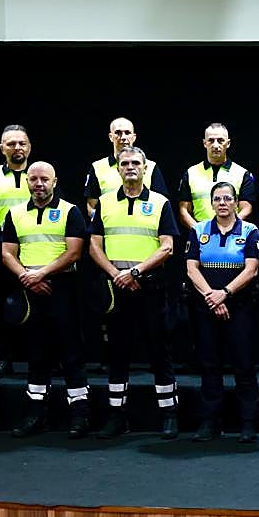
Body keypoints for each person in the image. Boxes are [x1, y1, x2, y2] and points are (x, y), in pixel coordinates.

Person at [88, 147, 180, 438]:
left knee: (159, 353)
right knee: (117, 354)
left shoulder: (160, 202)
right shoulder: (104, 203)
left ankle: (169, 414)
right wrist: (117, 275)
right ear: (117, 169)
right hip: (117, 291)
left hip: (150, 288)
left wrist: (135, 272)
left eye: (135, 163)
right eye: (125, 163)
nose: (130, 167)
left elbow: (167, 246)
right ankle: (116, 416)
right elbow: (94, 245)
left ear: (145, 168)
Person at [0, 161, 89, 437]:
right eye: (34, 179)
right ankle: (36, 415)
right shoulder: (14, 214)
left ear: (54, 181)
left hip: (62, 288)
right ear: (27, 181)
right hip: (30, 289)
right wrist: (27, 277)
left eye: (44, 179)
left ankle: (80, 416)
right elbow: (6, 253)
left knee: (71, 353)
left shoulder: (70, 211)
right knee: (37, 355)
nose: (39, 184)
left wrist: (41, 274)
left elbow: (74, 253)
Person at [184, 181, 259, 443]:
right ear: (211, 202)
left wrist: (225, 294)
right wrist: (212, 296)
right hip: (206, 307)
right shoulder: (199, 230)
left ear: (236, 202)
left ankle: (248, 423)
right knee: (209, 365)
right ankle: (209, 422)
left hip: (239, 307)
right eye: (217, 199)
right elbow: (191, 268)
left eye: (227, 198)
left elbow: (251, 269)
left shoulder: (250, 231)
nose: (222, 203)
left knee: (244, 365)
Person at [0, 125, 34, 380]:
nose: (17, 148)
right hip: (0, 252)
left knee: (41, 309)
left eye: (22, 143)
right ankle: (2, 358)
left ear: (29, 147)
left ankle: (42, 361)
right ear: (2, 148)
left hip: (35, 252)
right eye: (11, 144)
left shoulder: (40, 174)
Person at [83, 116, 169, 216]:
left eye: (127, 133)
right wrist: (101, 223)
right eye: (118, 133)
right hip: (110, 229)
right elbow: (91, 206)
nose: (123, 137)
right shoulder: (97, 167)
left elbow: (162, 203)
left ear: (134, 137)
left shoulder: (151, 167)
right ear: (111, 137)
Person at [176, 123, 256, 230]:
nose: (215, 145)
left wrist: (229, 228)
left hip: (233, 237)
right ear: (205, 143)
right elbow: (183, 210)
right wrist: (199, 231)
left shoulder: (242, 173)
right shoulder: (191, 173)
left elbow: (246, 209)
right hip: (200, 237)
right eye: (211, 140)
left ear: (228, 143)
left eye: (220, 140)